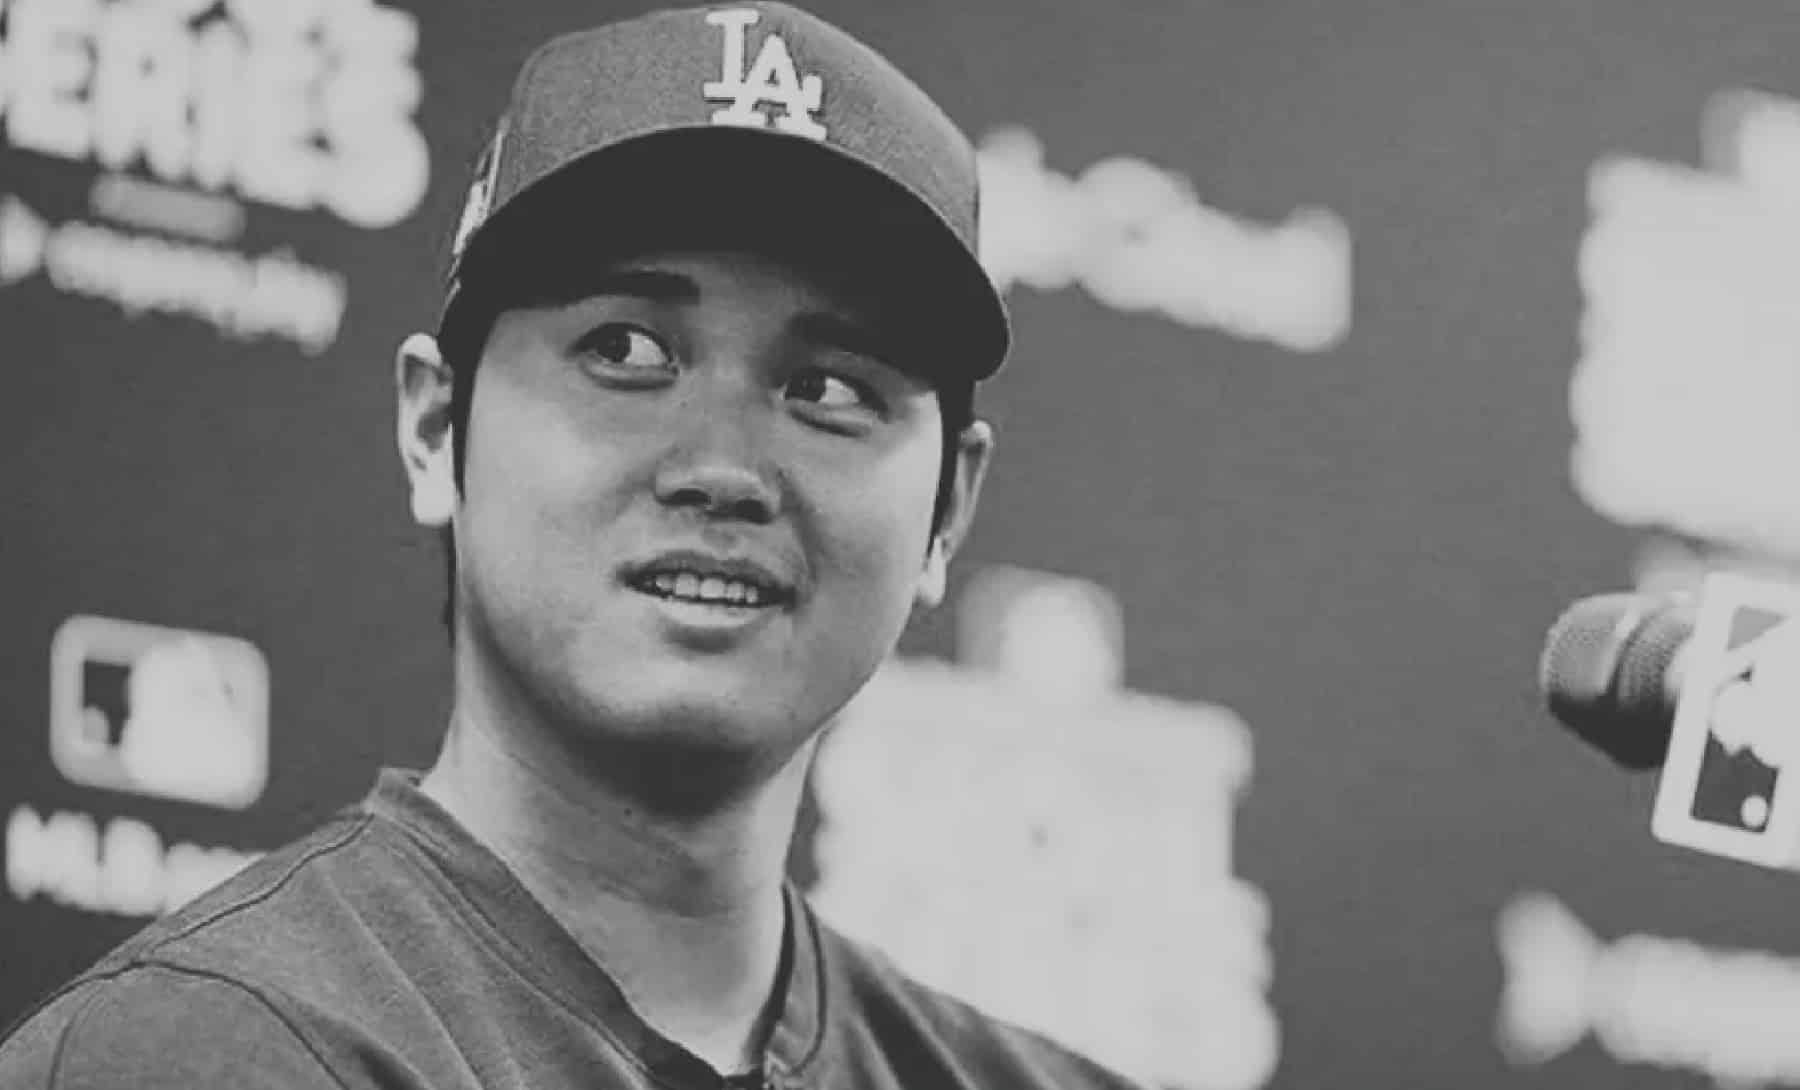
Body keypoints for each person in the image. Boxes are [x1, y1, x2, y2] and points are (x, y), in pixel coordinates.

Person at [0, 4, 1149, 1089]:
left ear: (950, 506)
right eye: (627, 350)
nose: (724, 468)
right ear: (435, 426)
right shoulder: (209, 1049)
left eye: (830, 386)